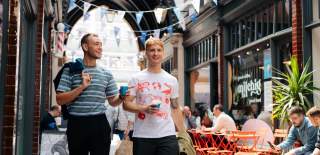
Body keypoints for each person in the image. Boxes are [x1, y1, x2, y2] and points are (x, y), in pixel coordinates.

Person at [56, 33, 124, 155]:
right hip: (77, 124)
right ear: (85, 47)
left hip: (99, 124)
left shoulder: (106, 73)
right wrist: (81, 87)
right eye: (96, 44)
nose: (100, 47)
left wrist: (121, 97)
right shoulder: (70, 70)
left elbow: (113, 101)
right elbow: (60, 100)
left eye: (101, 45)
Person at [123, 38, 182, 155]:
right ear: (146, 53)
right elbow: (126, 104)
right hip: (143, 135)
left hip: (167, 135)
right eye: (152, 50)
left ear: (163, 53)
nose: (156, 53)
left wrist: (183, 132)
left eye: (159, 50)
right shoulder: (136, 78)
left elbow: (175, 107)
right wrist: (144, 108)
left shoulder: (172, 80)